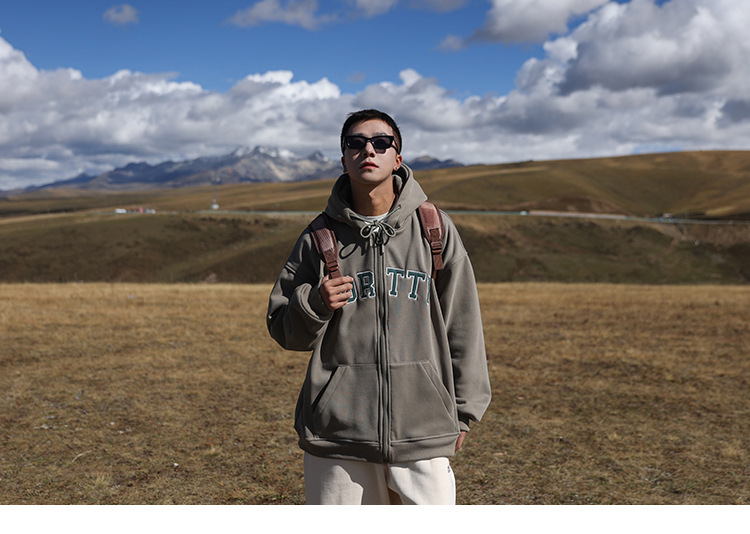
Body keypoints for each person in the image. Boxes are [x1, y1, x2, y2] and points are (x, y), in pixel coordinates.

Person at [266, 109, 491, 505]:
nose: (368, 150)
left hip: (423, 429)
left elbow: (463, 323)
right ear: (344, 159)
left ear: (397, 158)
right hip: (338, 436)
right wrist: (315, 303)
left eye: (381, 142)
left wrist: (463, 412)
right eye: (355, 143)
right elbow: (284, 328)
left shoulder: (434, 229)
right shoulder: (319, 237)